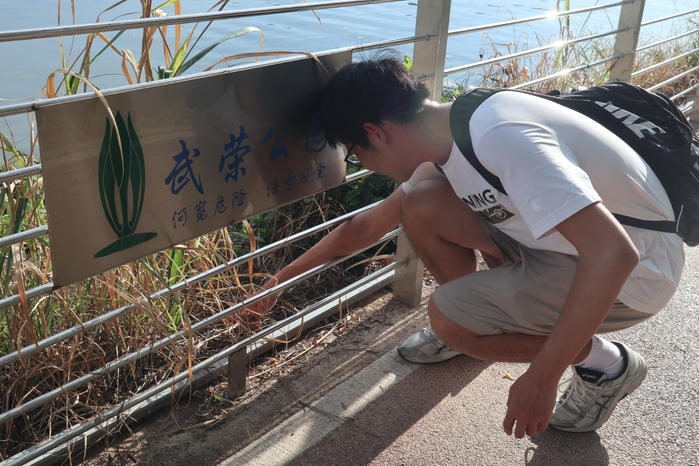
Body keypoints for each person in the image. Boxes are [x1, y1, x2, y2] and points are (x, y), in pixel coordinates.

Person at [244, 53, 684, 439]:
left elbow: (614, 253)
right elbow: (366, 227)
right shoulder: (449, 132)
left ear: (376, 133)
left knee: (448, 319)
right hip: (565, 245)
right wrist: (278, 282)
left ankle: (608, 364)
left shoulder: (501, 136)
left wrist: (543, 377)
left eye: (358, 156)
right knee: (419, 205)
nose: (368, 167)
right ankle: (480, 324)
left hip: (638, 272)